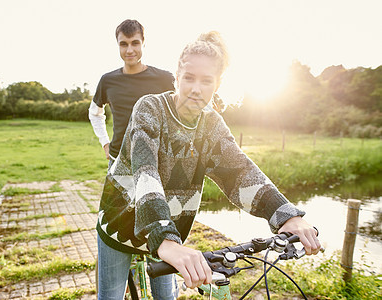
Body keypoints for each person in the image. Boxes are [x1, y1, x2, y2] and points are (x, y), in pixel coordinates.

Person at [96, 31, 322, 299]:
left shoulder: (212, 124)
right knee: (110, 295)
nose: (195, 88)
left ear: (218, 84)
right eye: (189, 78)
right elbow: (146, 171)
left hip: (169, 235)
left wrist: (286, 215)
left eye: (206, 81)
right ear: (177, 76)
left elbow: (239, 172)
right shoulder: (150, 108)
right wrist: (164, 238)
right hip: (121, 223)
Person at [89, 19, 175, 163]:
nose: (129, 50)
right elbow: (94, 113)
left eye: (135, 43)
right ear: (118, 45)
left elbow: (184, 110)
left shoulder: (164, 78)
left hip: (155, 162)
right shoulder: (107, 80)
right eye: (123, 44)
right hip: (118, 160)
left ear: (143, 43)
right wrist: (105, 143)